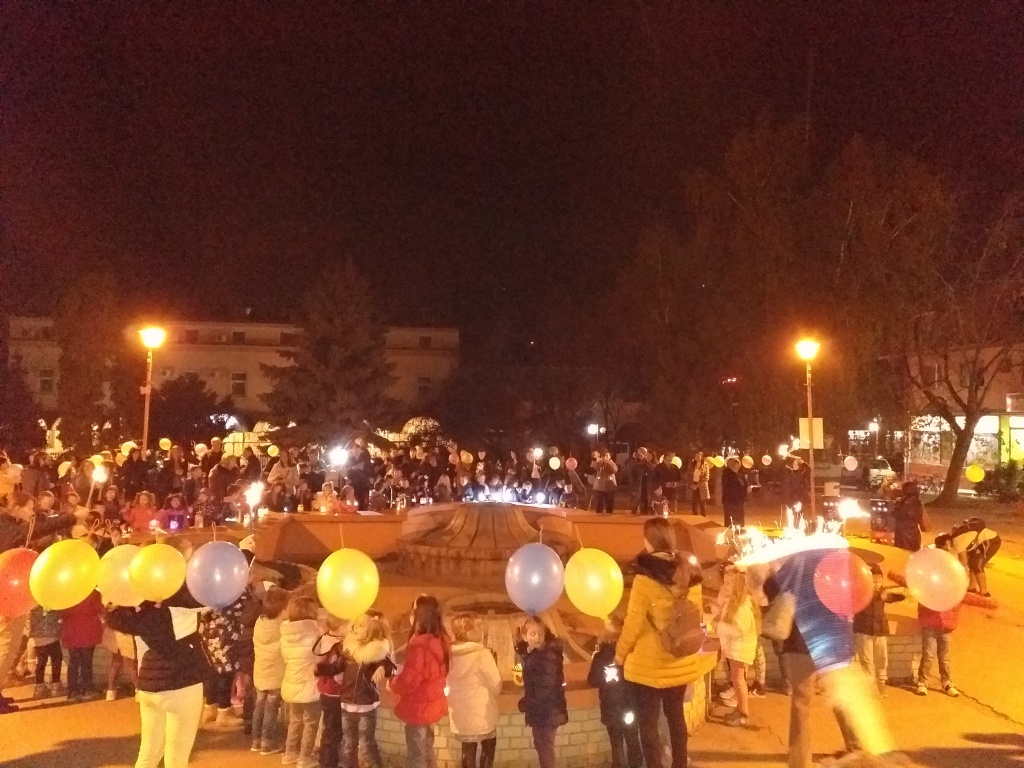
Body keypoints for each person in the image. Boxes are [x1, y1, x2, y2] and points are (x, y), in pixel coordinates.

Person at [765, 546, 895, 768]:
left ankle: (799, 763)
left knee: (801, 706)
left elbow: (770, 590)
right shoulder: (839, 561)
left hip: (801, 640)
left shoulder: (796, 562)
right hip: (832, 637)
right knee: (841, 695)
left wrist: (772, 570)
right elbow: (857, 593)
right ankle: (858, 750)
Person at [105, 537, 209, 768]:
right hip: (181, 681)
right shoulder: (180, 602)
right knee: (176, 757)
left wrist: (112, 605)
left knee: (149, 753)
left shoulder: (140, 605)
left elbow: (115, 617)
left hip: (149, 682)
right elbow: (212, 596)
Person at [615, 517, 704, 768]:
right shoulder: (690, 574)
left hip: (649, 667)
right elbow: (695, 617)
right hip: (679, 660)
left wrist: (619, 655)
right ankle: (680, 764)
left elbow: (633, 625)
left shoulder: (644, 580)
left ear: (648, 541)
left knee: (649, 723)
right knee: (676, 718)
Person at [391, 594, 451, 768]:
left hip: (418, 708)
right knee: (427, 750)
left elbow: (410, 681)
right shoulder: (442, 641)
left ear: (420, 619)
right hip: (432, 705)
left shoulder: (420, 646)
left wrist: (393, 682)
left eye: (413, 614)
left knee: (416, 756)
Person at [335, 611, 394, 768]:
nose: (354, 628)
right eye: (354, 625)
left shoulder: (376, 650)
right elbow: (337, 667)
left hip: (366, 704)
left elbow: (391, 666)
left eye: (360, 625)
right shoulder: (349, 649)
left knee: (365, 745)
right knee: (348, 743)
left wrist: (383, 667)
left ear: (371, 629)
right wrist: (319, 669)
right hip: (347, 703)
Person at [447, 612, 502, 768]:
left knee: (467, 750)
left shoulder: (449, 655)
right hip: (482, 714)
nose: (481, 629)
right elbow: (497, 686)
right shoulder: (482, 654)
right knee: (488, 747)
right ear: (468, 632)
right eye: (478, 627)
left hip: (459, 714)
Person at [587, 615, 642, 768]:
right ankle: (636, 765)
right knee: (632, 740)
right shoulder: (631, 655)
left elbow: (592, 680)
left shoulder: (600, 657)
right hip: (630, 706)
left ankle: (618, 765)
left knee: (616, 743)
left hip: (610, 707)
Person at [515, 616, 567, 768]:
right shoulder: (537, 653)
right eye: (532, 634)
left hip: (547, 710)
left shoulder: (546, 655)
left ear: (545, 634)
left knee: (545, 748)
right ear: (525, 636)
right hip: (545, 710)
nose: (537, 637)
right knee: (542, 746)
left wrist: (525, 703)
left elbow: (545, 687)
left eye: (540, 633)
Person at [199, 588, 255, 729]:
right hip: (227, 634)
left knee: (213, 671)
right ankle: (223, 713)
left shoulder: (208, 588)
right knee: (226, 673)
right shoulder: (235, 589)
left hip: (210, 631)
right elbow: (244, 608)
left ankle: (210, 708)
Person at [712, 565, 759, 726]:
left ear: (737, 585)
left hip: (740, 649)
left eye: (729, 583)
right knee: (738, 680)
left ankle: (743, 714)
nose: (725, 586)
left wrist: (718, 627)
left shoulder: (743, 605)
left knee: (739, 681)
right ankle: (739, 710)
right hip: (737, 648)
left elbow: (738, 629)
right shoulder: (737, 601)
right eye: (725, 582)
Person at [280, 596, 323, 768]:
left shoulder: (285, 633)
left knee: (295, 720)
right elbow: (320, 657)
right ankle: (305, 757)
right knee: (311, 723)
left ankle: (289, 753)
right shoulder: (315, 633)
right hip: (309, 684)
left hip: (291, 681)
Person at [853, 564, 905, 695]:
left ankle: (881, 684)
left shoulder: (882, 592)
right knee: (867, 661)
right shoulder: (860, 591)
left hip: (880, 630)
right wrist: (881, 594)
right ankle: (870, 688)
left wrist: (901, 593)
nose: (877, 584)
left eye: (880, 581)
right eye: (874, 581)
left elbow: (894, 598)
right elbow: (868, 598)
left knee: (882, 659)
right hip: (863, 630)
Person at [251, 586, 289, 756]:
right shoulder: (282, 627)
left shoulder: (259, 622)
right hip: (276, 674)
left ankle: (256, 740)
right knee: (271, 708)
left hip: (260, 671)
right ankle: (267, 743)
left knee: (259, 705)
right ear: (282, 610)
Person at [314, 614, 349, 768]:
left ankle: (325, 761)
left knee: (328, 729)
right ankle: (329, 763)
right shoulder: (338, 646)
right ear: (342, 628)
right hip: (335, 692)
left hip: (325, 690)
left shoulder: (324, 639)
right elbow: (338, 673)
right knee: (334, 731)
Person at [61, 586, 104, 700]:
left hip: (71, 631)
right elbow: (99, 608)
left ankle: (72, 690)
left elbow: (61, 612)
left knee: (73, 662)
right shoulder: (90, 591)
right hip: (88, 630)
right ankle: (87, 688)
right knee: (87, 661)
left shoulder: (66, 593)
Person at [940, 519, 1001, 598]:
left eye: (943, 548)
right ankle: (972, 587)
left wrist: (956, 580)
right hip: (982, 541)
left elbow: (964, 563)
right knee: (972, 562)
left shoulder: (957, 542)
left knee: (976, 564)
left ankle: (984, 591)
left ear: (947, 543)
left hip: (991, 540)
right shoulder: (956, 540)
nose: (945, 550)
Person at [29, 604, 64, 699]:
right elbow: (59, 617)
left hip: (38, 638)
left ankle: (39, 687)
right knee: (56, 660)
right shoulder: (53, 604)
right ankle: (56, 686)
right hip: (52, 637)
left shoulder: (33, 607)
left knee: (41, 662)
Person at [892, 481, 928, 551]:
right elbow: (920, 519)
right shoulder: (918, 503)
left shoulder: (902, 502)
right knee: (912, 553)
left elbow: (895, 514)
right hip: (913, 533)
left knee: (901, 553)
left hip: (901, 533)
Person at [721, 457, 747, 527]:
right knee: (731, 521)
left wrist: (747, 487)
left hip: (739, 501)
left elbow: (744, 484)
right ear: (732, 465)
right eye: (737, 465)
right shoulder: (727, 475)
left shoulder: (738, 474)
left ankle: (738, 530)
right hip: (731, 501)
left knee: (739, 521)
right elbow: (731, 488)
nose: (738, 466)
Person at [688, 452, 710, 516]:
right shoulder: (691, 464)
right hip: (693, 485)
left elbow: (706, 477)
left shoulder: (705, 465)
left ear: (701, 457)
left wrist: (698, 485)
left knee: (702, 503)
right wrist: (691, 484)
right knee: (694, 503)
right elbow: (688, 475)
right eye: (696, 456)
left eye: (699, 456)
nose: (697, 457)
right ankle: (694, 517)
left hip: (701, 486)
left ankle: (703, 518)